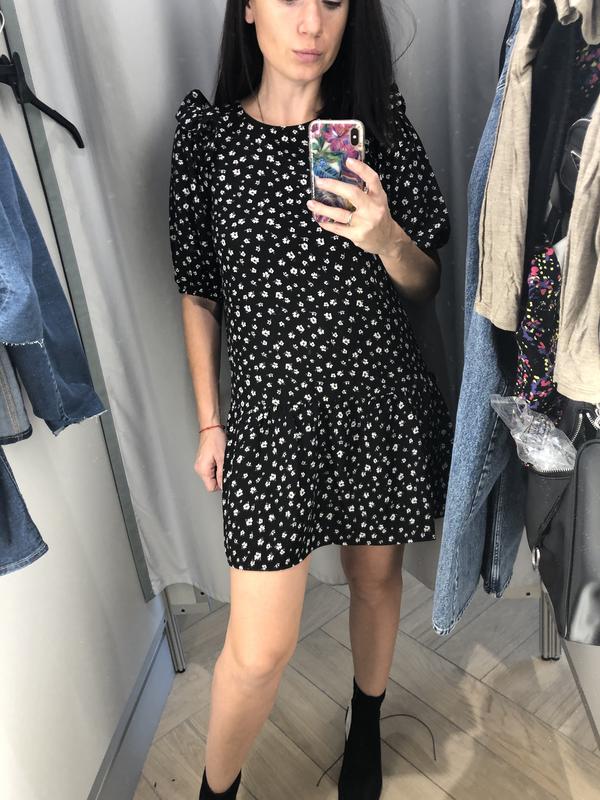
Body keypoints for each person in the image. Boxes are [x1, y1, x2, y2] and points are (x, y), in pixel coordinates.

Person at [168, 1, 453, 797]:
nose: (310, 24)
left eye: (330, 1)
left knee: (375, 582)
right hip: (269, 418)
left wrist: (384, 236)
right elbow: (199, 291)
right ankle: (215, 791)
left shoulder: (376, 127)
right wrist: (210, 421)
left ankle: (368, 719)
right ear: (249, 8)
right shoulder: (209, 138)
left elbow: (426, 282)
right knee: (259, 650)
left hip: (375, 399)